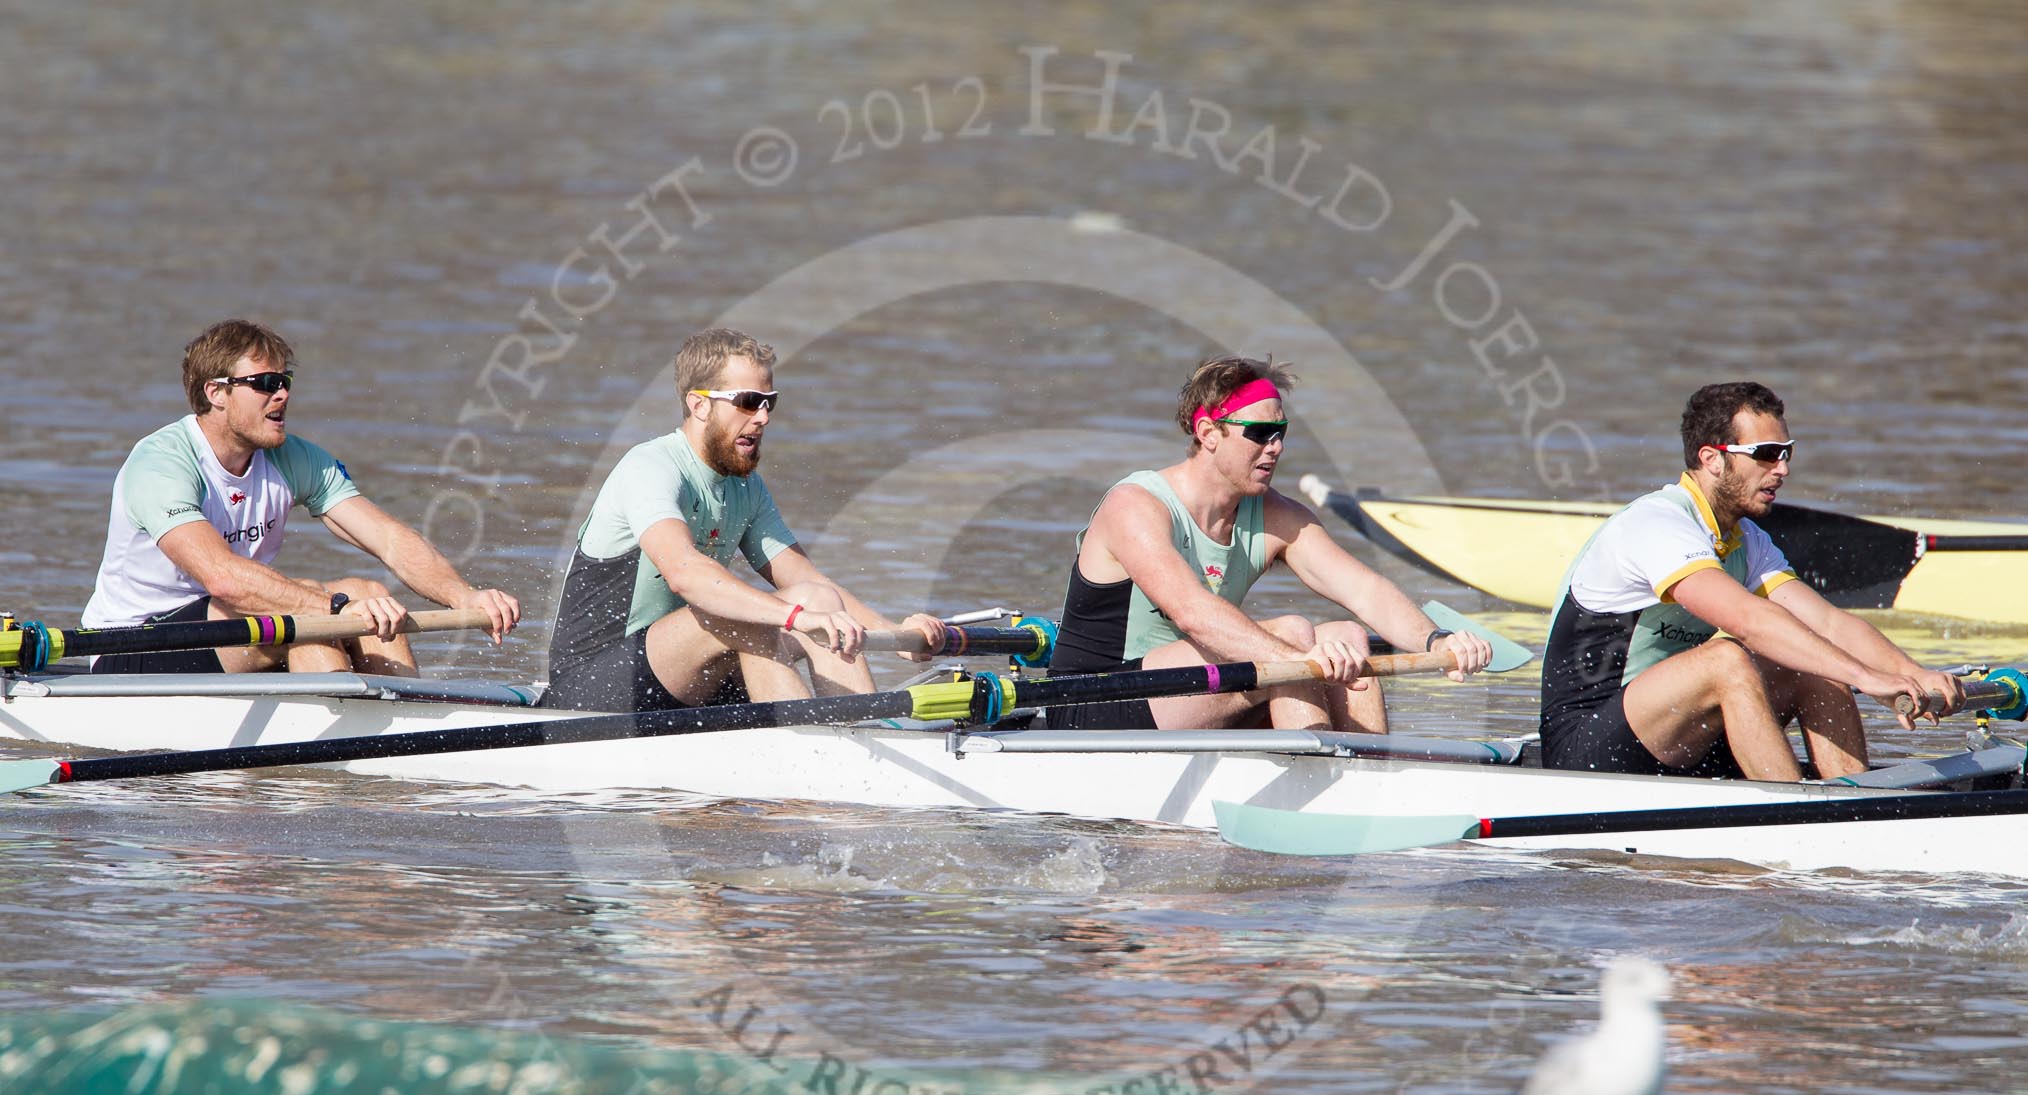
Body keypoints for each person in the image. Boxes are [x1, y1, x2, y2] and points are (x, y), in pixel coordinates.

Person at [1539, 380, 1962, 781]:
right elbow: (1748, 621)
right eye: (1766, 453)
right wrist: (1870, 679)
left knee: (1819, 667)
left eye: (1787, 453)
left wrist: (1912, 673)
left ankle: (1854, 802)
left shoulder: (1748, 540)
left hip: (1679, 734)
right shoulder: (1657, 525)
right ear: (1712, 459)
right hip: (1588, 747)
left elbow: (1829, 624)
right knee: (1727, 659)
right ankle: (1795, 820)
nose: (1782, 469)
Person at [1045, 355, 1493, 731]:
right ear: (1207, 433)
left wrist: (1434, 641)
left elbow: (1364, 591)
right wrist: (1299, 658)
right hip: (1089, 703)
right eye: (1260, 434)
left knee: (1346, 636)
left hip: (1184, 695)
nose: (1275, 447)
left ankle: (1369, 776)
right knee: (1294, 633)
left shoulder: (1276, 515)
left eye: (1281, 432)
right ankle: (1313, 786)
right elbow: (1193, 614)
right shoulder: (1136, 505)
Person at [80, 319, 520, 675]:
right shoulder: (161, 464)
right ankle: (332, 764)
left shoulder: (292, 457)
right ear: (216, 393)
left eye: (285, 380)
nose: (283, 393)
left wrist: (464, 597)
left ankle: (408, 729)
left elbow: (388, 539)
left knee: (366, 589)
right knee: (314, 608)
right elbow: (224, 580)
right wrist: (336, 609)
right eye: (265, 382)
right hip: (132, 646)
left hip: (227, 630)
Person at [542, 327, 945, 712]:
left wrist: (895, 636)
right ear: (699, 404)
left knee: (819, 599)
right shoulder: (650, 468)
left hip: (686, 676)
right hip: (592, 688)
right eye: (749, 402)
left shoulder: (746, 487)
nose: (764, 417)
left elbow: (810, 583)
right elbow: (685, 573)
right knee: (745, 617)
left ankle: (859, 732)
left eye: (770, 402)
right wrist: (794, 619)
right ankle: (811, 754)